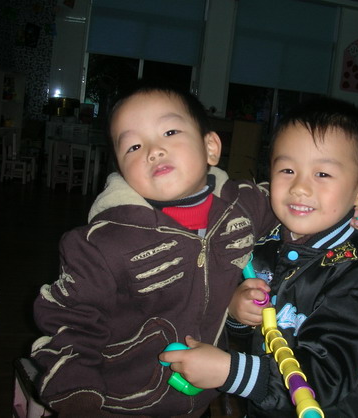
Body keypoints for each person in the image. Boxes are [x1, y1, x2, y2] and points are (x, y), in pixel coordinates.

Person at [31, 83, 277, 417]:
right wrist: (79, 399)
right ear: (120, 168)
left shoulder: (242, 207)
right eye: (133, 146)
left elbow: (292, 201)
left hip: (203, 396)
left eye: (170, 132)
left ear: (210, 147)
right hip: (122, 405)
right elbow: (70, 323)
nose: (153, 150)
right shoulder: (102, 243)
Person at [160, 97, 358, 417]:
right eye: (287, 169)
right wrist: (236, 311)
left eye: (322, 174)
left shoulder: (355, 280)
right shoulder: (268, 243)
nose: (299, 187)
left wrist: (229, 372)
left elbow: (324, 378)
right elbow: (260, 328)